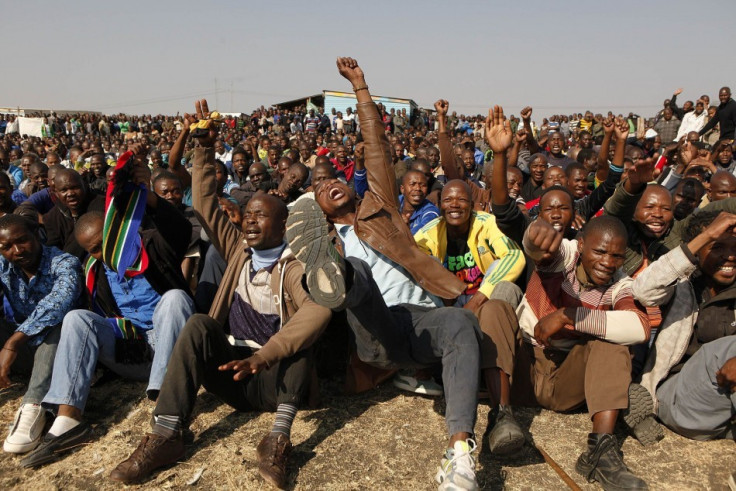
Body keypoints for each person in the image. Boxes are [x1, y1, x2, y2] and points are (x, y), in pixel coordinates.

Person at [109, 102, 331, 487]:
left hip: (272, 378)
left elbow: (318, 310)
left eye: (260, 215)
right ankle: (166, 435)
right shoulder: (239, 250)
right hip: (230, 372)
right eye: (248, 214)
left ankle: (277, 440)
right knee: (197, 324)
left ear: (283, 225)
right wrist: (204, 149)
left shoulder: (294, 265)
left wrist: (266, 355)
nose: (249, 220)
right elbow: (205, 204)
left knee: (299, 340)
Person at [286, 57, 482, 491]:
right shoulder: (324, 245)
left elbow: (376, 147)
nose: (328, 185)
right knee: (351, 269)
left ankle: (461, 454)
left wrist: (360, 86)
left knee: (461, 320)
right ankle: (345, 284)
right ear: (315, 211)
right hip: (373, 326)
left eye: (333, 180)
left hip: (419, 320)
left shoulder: (380, 208)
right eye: (318, 190)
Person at [22, 146, 195, 468]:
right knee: (77, 318)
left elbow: (181, 231)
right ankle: (68, 420)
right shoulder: (95, 272)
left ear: (117, 232)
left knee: (175, 298)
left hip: (171, 348)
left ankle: (164, 404)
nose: (104, 253)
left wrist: (149, 196)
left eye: (106, 242)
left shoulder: (152, 248)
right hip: (133, 351)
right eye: (95, 250)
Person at [488, 216, 649, 489]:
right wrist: (535, 233)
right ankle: (501, 417)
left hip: (567, 382)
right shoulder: (565, 257)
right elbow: (538, 245)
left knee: (613, 339)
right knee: (494, 309)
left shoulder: (620, 285)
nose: (608, 262)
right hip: (522, 369)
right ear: (582, 244)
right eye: (599, 251)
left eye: (616, 256)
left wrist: (568, 316)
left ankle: (600, 452)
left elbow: (639, 327)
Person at [632, 211, 736, 488]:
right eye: (717, 246)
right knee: (729, 350)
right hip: (679, 399)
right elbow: (643, 290)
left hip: (722, 414)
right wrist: (707, 234)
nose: (730, 256)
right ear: (697, 250)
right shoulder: (680, 287)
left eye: (735, 248)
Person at [0, 215, 82, 454]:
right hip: (27, 350)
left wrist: (13, 342)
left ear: (37, 234)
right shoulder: (5, 265)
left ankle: (33, 406)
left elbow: (59, 303)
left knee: (59, 324)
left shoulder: (64, 262)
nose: (17, 250)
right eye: (6, 247)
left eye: (22, 240)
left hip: (61, 348)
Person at [42, 168, 105, 260]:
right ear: (56, 193)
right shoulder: (51, 217)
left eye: (75, 188)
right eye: (64, 190)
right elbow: (54, 251)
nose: (70, 193)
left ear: (84, 185)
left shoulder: (102, 205)